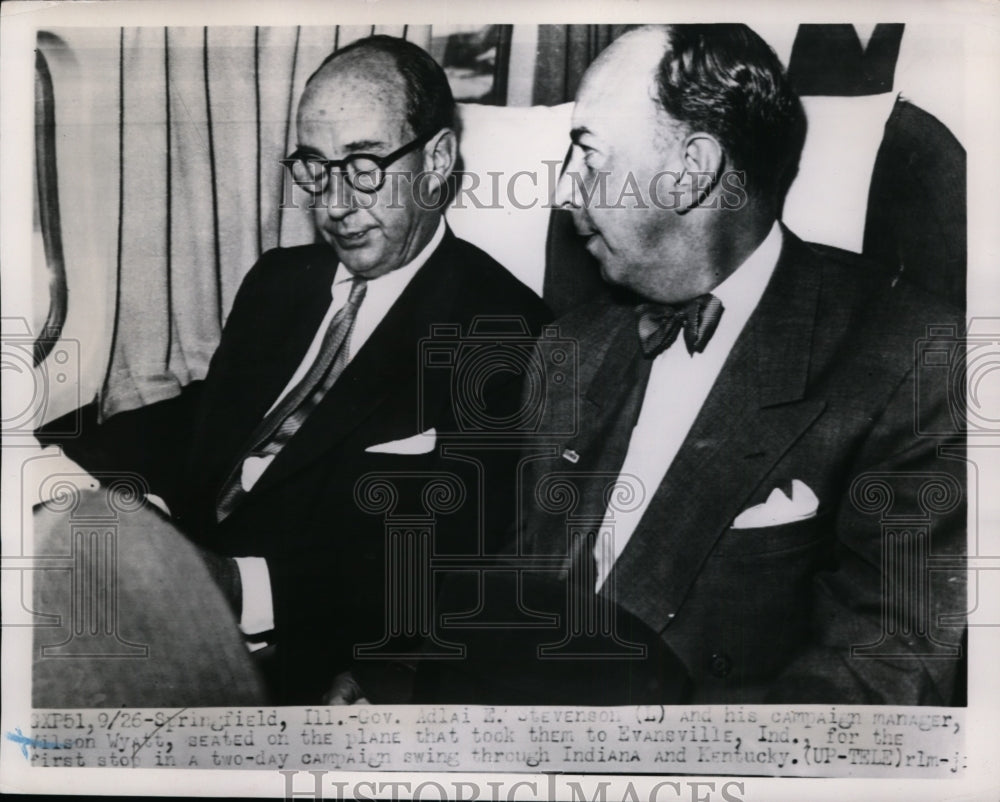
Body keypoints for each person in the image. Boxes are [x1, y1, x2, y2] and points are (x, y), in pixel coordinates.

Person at [435, 24, 965, 705]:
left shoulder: (915, 359)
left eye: (589, 158)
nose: (566, 193)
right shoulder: (568, 349)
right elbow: (524, 582)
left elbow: (885, 679)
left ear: (693, 169)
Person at [43, 35, 550, 704]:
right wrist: (59, 459)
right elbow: (206, 416)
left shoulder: (504, 331)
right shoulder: (282, 281)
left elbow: (445, 561)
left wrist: (238, 587)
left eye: (365, 166)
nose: (334, 203)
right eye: (314, 167)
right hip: (179, 575)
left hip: (302, 651)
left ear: (438, 161)